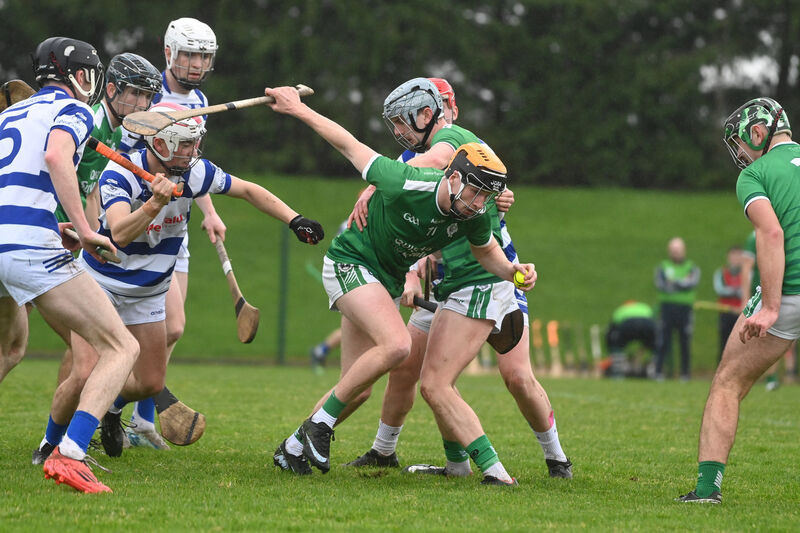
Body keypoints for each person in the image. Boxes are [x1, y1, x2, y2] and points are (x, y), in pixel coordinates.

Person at [265, 82, 536, 485]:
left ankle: (292, 447)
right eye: (475, 191)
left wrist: (516, 272)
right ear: (453, 175)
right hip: (350, 262)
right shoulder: (404, 180)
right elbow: (348, 143)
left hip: (383, 279)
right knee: (397, 346)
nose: (479, 204)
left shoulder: (473, 214)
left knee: (356, 389)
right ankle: (318, 427)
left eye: (485, 196)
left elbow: (487, 254)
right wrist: (297, 109)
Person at [32, 101, 323, 463]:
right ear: (161, 144)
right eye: (185, 144)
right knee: (84, 373)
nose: (193, 151)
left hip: (150, 292)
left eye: (195, 143)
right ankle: (50, 444)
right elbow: (119, 233)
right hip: (101, 285)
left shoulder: (195, 173)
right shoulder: (118, 175)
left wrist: (295, 219)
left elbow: (248, 190)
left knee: (151, 383)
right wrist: (153, 204)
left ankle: (111, 408)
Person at [332, 78, 570, 481]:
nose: (437, 114)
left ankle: (554, 459)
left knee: (511, 377)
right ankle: (393, 452)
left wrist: (376, 183)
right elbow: (414, 228)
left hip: (487, 276)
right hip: (448, 283)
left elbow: (444, 167)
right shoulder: (414, 153)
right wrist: (411, 269)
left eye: (441, 105)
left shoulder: (451, 141)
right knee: (411, 370)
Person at [1, 37, 140, 493]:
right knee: (120, 348)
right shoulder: (75, 110)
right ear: (78, 75)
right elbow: (57, 156)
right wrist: (82, 226)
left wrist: (50, 225)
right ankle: (72, 455)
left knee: (9, 349)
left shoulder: (7, 114)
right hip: (26, 246)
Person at [677, 97, 800, 503]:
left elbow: (771, 235)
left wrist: (769, 305)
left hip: (791, 293)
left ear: (758, 132)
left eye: (740, 145)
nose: (740, 155)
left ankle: (706, 489)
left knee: (728, 383)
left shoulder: (756, 175)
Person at [118, 17, 227, 446]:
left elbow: (191, 162)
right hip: (142, 219)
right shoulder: (147, 94)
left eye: (205, 56)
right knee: (147, 329)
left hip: (175, 224)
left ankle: (142, 421)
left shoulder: (198, 98)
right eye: (190, 54)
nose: (198, 64)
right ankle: (101, 412)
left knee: (173, 330)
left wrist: (210, 210)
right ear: (169, 52)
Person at [43, 53, 162, 388]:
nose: (142, 103)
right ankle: (64, 431)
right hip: (48, 240)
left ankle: (65, 427)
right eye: (135, 93)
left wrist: (95, 237)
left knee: (76, 344)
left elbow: (91, 189)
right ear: (110, 89)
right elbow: (52, 168)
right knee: (87, 344)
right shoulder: (91, 123)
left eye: (147, 96)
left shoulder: (111, 132)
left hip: (68, 242)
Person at [654, 237, 700, 380]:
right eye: (673, 250)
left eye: (678, 250)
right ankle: (659, 372)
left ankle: (685, 373)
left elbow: (692, 283)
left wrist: (673, 283)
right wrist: (682, 283)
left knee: (684, 341)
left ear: (684, 250)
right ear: (669, 251)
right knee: (663, 340)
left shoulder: (692, 267)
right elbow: (661, 285)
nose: (676, 253)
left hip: (685, 309)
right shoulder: (663, 266)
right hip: (667, 308)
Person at [604, 300, 657, 378]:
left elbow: (613, 327)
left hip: (627, 324)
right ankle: (655, 370)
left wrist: (611, 345)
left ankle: (617, 372)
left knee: (616, 343)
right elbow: (653, 320)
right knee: (655, 345)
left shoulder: (621, 310)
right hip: (647, 324)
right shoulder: (645, 307)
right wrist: (648, 344)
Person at [712, 246, 744, 362]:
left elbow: (749, 290)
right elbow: (720, 289)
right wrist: (736, 291)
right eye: (734, 255)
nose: (736, 258)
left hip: (742, 313)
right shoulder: (721, 273)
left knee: (741, 343)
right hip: (725, 312)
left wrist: (736, 291)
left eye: (739, 256)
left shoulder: (747, 273)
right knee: (724, 342)